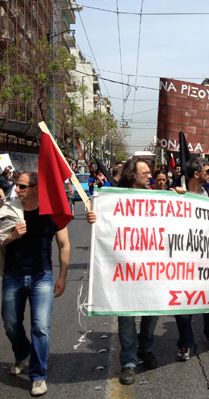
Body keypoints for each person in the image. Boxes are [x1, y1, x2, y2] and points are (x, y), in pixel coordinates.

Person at [0, 171, 70, 396]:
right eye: (17, 186)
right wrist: (12, 236)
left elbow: (64, 245)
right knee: (11, 324)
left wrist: (62, 276)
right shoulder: (10, 210)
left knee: (41, 327)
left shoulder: (51, 212)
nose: (17, 190)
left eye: (22, 186)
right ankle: (23, 353)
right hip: (13, 277)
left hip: (42, 277)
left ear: (36, 189)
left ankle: (38, 376)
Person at [86, 157, 160, 385]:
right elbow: (106, 224)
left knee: (152, 311)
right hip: (125, 268)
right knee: (127, 316)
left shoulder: (159, 197)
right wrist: (94, 218)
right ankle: (128, 362)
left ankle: (145, 348)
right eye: (145, 173)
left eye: (150, 173)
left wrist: (179, 193)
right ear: (132, 175)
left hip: (152, 268)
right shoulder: (114, 199)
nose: (150, 176)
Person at [173, 157, 209, 360]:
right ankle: (185, 343)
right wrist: (173, 196)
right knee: (183, 306)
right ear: (196, 174)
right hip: (183, 260)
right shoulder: (176, 193)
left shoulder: (208, 195)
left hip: (206, 258)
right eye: (208, 171)